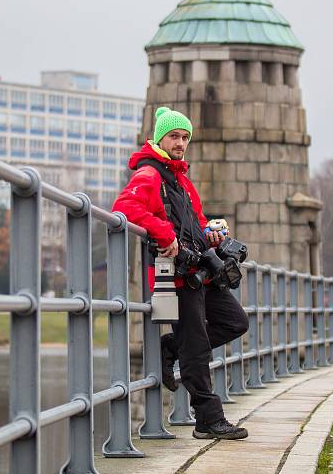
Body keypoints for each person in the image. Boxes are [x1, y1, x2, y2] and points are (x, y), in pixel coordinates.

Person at [112, 107, 249, 440]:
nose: (181, 143)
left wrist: (212, 234)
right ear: (160, 138)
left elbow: (197, 223)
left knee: (235, 322)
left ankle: (171, 348)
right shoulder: (149, 175)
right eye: (174, 136)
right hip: (174, 275)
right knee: (197, 347)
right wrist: (165, 233)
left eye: (185, 137)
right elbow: (124, 207)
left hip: (198, 268)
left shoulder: (182, 180)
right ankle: (208, 420)